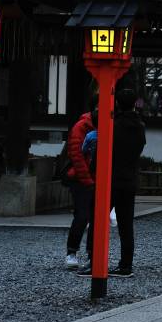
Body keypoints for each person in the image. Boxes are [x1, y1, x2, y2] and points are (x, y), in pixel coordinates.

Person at [106, 89, 147, 277]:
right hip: (129, 177)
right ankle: (126, 264)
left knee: (98, 219)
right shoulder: (139, 126)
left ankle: (95, 259)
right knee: (126, 224)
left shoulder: (114, 125)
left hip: (111, 176)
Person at [64, 108, 97, 269]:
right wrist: (88, 180)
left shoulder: (90, 126)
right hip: (81, 178)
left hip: (93, 177)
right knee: (82, 216)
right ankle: (72, 251)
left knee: (95, 218)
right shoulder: (81, 127)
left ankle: (93, 253)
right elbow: (77, 156)